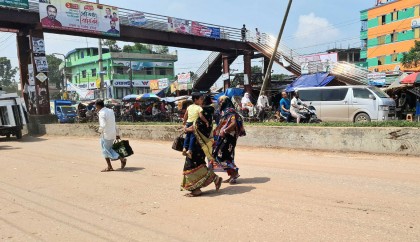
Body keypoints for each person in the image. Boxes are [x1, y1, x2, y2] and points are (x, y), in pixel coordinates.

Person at [213, 96, 246, 184]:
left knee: (221, 155)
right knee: (228, 156)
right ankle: (232, 175)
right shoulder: (225, 111)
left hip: (228, 137)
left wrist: (225, 130)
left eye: (220, 101)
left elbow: (234, 123)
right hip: (226, 137)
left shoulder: (230, 111)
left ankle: (234, 173)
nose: (219, 103)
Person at [95, 99, 127, 172]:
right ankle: (117, 161)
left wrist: (98, 131)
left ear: (97, 105)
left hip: (106, 135)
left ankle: (114, 164)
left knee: (105, 151)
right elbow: (114, 123)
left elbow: (102, 125)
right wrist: (117, 133)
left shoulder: (102, 113)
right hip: (112, 133)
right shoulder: (110, 111)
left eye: (96, 106)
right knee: (109, 149)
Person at [183, 93, 208, 159]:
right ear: (196, 100)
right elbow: (201, 116)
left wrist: (184, 122)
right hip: (193, 124)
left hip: (188, 123)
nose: (202, 101)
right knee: (192, 137)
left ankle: (184, 148)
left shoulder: (189, 107)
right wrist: (206, 121)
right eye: (201, 99)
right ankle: (190, 150)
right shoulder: (199, 108)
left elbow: (185, 115)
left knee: (187, 136)